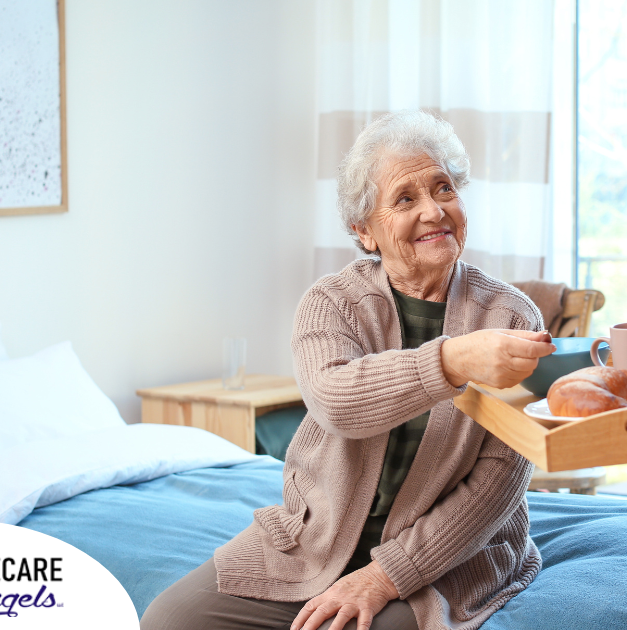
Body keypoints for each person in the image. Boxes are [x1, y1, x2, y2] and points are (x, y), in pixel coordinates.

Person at [140, 111, 555, 630]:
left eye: (444, 188)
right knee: (170, 619)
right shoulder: (332, 304)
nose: (434, 211)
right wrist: (452, 361)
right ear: (365, 231)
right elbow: (338, 402)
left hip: (442, 557)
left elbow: (500, 480)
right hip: (319, 541)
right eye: (405, 199)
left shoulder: (510, 317)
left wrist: (384, 576)